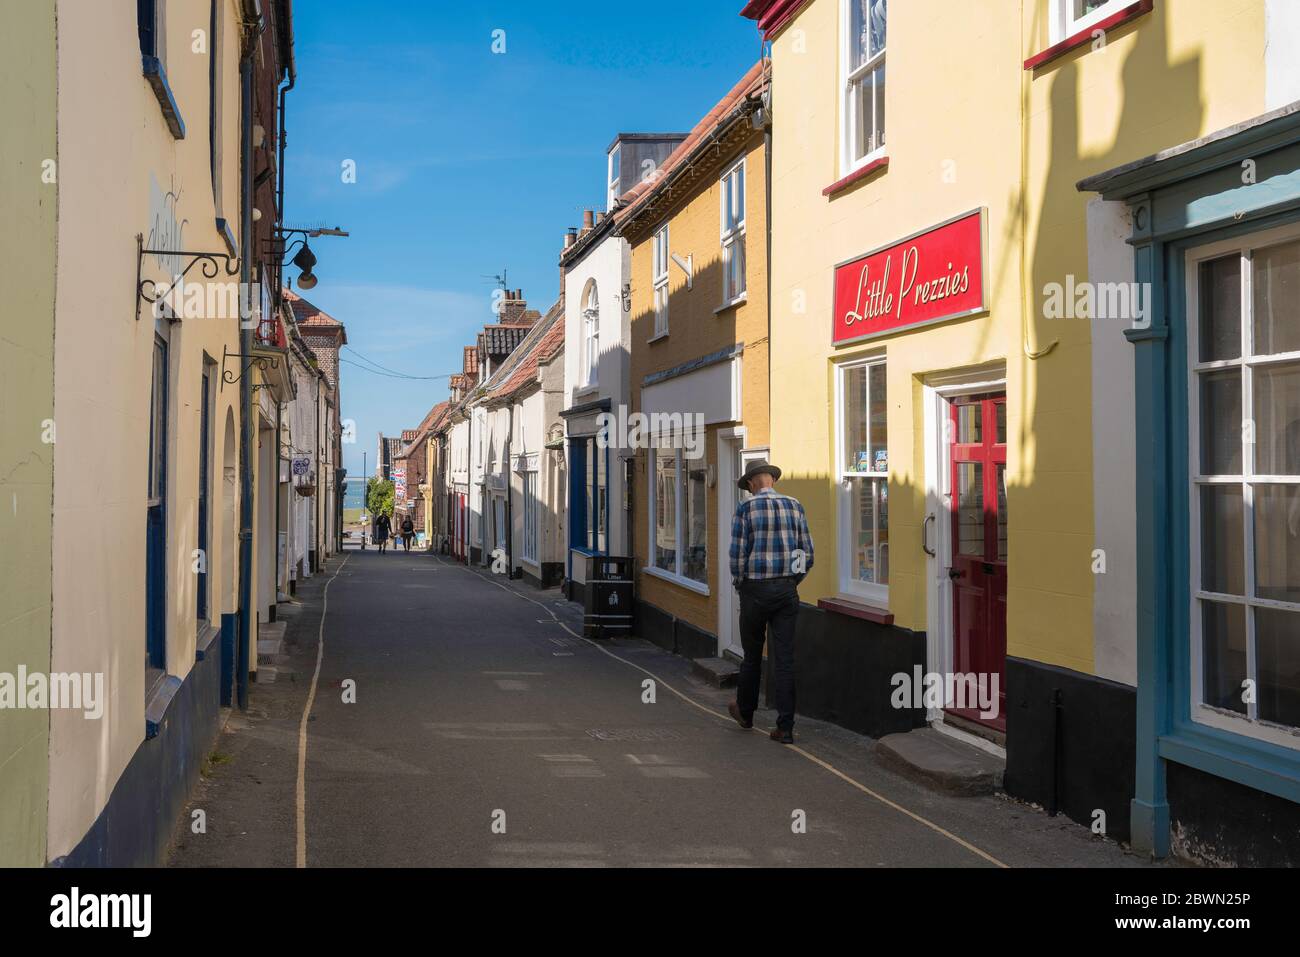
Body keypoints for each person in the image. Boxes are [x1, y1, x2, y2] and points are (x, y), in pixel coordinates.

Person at [727, 459, 813, 745]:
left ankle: (746, 712)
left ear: (752, 483)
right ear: (771, 480)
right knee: (785, 660)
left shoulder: (746, 509)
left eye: (748, 486)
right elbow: (806, 554)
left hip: (755, 590)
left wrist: (742, 584)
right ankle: (785, 728)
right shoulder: (796, 505)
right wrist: (791, 581)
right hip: (787, 590)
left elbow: (737, 556)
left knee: (752, 656)